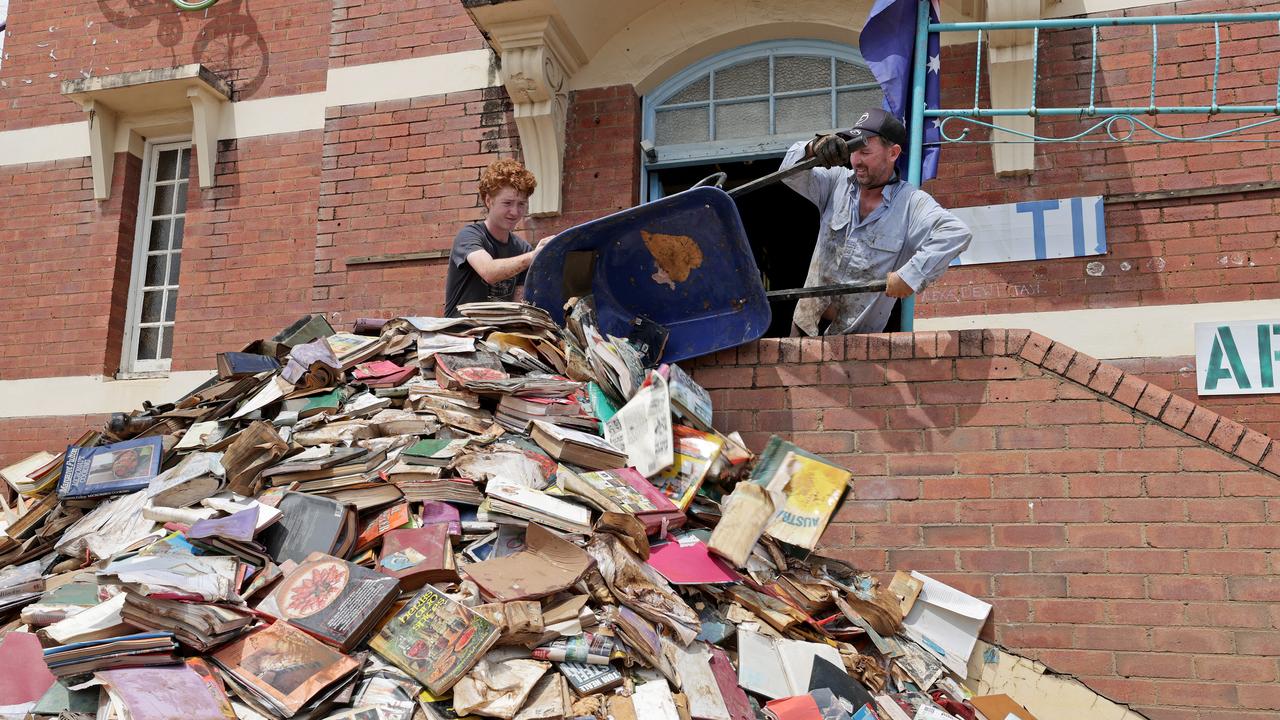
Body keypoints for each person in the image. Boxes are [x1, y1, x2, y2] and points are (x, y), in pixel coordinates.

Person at [779, 108, 971, 336]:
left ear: (893, 153)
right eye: (852, 151)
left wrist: (910, 275)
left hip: (857, 342)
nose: (856, 160)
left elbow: (956, 233)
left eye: (865, 152)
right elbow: (788, 173)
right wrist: (814, 148)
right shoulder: (835, 183)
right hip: (803, 328)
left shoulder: (911, 204)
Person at [443, 158, 553, 317]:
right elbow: (489, 272)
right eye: (507, 203)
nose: (515, 212)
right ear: (489, 201)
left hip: (499, 337)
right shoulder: (469, 236)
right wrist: (533, 256)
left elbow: (519, 306)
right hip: (460, 336)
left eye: (521, 204)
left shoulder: (522, 248)